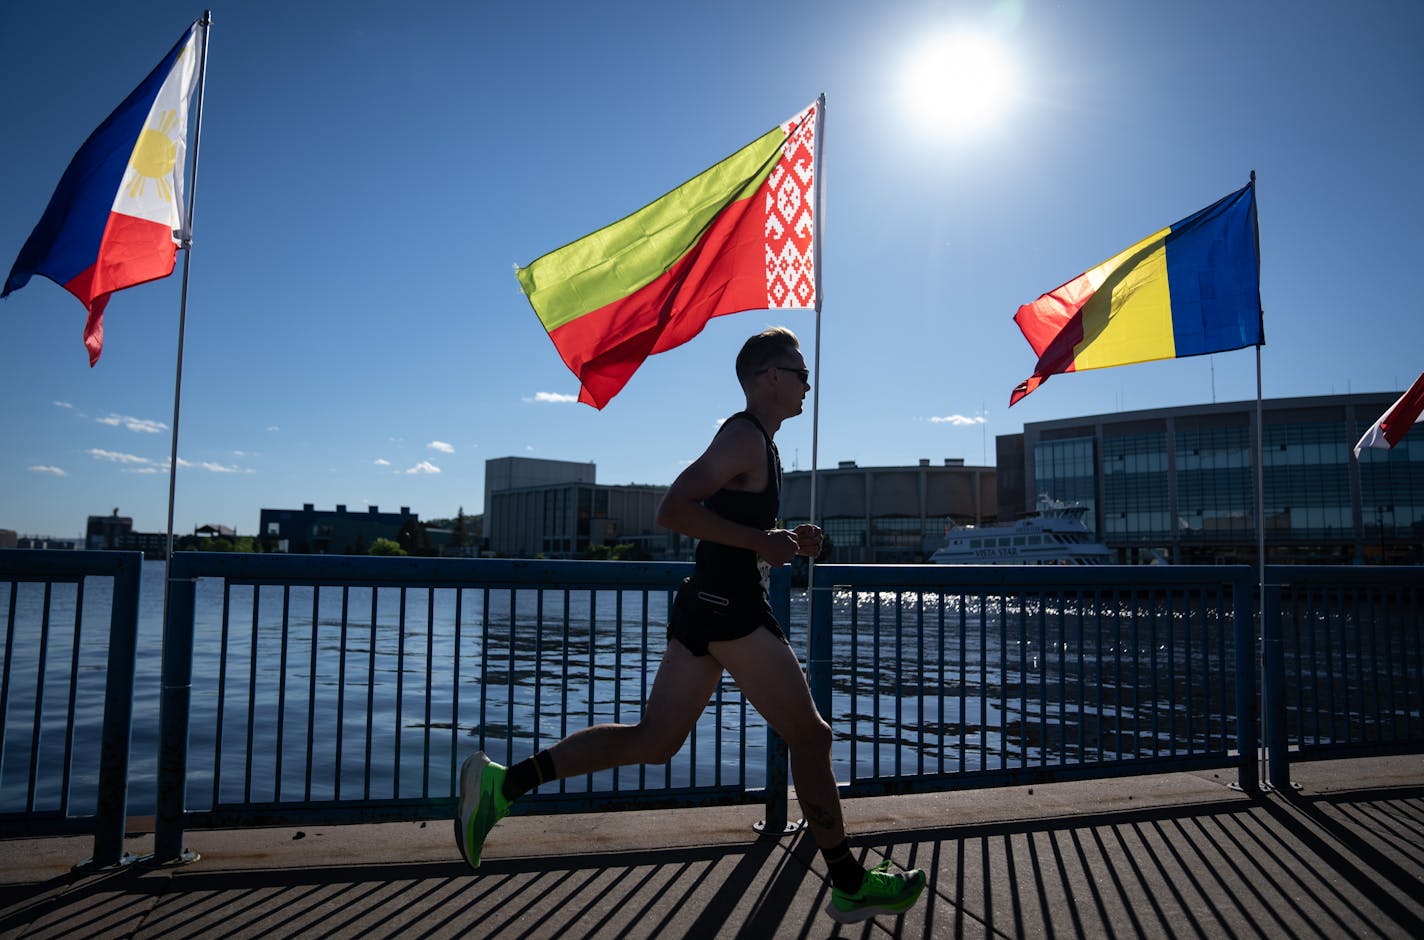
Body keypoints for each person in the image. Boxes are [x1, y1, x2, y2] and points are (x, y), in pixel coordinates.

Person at [455, 327, 926, 923]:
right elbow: (673, 510)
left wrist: (781, 544)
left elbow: (727, 528)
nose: (810, 384)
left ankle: (503, 785)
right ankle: (850, 881)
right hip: (731, 612)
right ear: (771, 378)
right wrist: (761, 542)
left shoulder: (762, 443)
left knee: (654, 741)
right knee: (814, 738)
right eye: (801, 373)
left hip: (705, 606)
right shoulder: (743, 437)